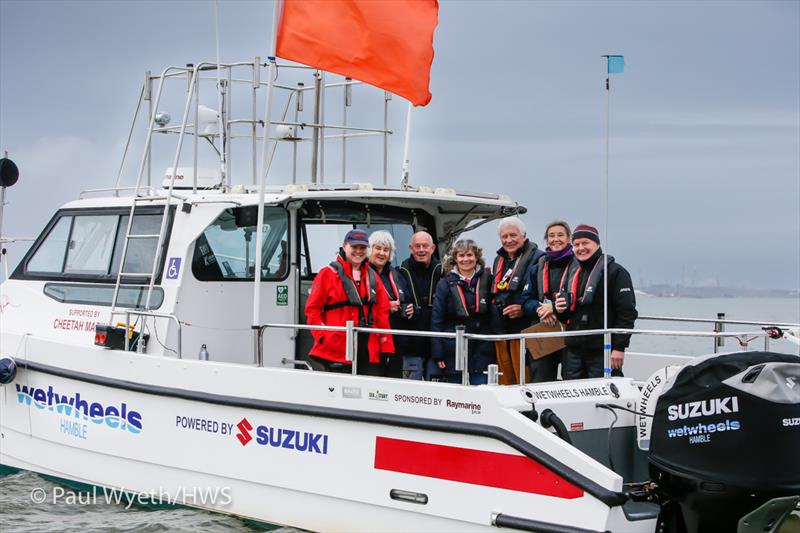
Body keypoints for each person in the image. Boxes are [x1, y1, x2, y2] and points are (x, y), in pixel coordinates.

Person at [305, 229, 394, 375]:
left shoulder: (373, 278)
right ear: (344, 246)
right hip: (336, 349)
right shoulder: (326, 275)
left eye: (362, 248)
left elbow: (382, 314)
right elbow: (312, 310)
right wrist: (323, 337)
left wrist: (386, 346)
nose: (358, 251)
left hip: (368, 350)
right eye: (354, 247)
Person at [554, 224, 637, 379]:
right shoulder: (571, 273)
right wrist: (558, 310)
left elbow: (627, 312)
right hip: (573, 350)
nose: (581, 248)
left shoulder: (616, 272)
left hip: (602, 350)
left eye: (585, 243)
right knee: (571, 396)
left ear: (597, 244)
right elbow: (565, 316)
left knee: (605, 397)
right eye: (576, 245)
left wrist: (619, 347)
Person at [430, 240, 495, 384]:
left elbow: (494, 315)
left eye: (470, 255)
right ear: (455, 258)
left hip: (482, 349)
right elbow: (437, 320)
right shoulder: (444, 284)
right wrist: (438, 353)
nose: (466, 259)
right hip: (453, 350)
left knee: (482, 391)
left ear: (476, 256)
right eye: (461, 255)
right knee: (457, 397)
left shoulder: (488, 279)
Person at [490, 217, 545, 384]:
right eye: (504, 236)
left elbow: (542, 294)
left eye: (513, 235)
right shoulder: (499, 259)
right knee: (504, 383)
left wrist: (523, 308)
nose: (508, 240)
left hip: (525, 332)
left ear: (524, 235)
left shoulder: (539, 258)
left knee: (525, 382)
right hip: (501, 332)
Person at [521, 220, 577, 382]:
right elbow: (525, 300)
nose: (556, 239)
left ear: (569, 239)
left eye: (560, 235)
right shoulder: (537, 267)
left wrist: (553, 308)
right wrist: (542, 310)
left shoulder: (578, 264)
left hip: (571, 332)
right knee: (540, 380)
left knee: (571, 381)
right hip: (544, 330)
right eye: (551, 236)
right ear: (546, 240)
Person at [397, 231, 443, 380]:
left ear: (433, 248)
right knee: (409, 393)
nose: (421, 250)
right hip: (411, 345)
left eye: (425, 246)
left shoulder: (443, 272)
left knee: (437, 392)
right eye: (417, 246)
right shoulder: (400, 273)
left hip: (436, 345)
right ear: (411, 248)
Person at [368, 230, 413, 378]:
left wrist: (411, 309)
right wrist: (388, 306)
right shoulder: (362, 273)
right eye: (378, 248)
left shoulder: (396, 274)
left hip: (395, 338)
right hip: (371, 338)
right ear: (370, 249)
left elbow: (408, 298)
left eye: (386, 250)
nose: (382, 253)